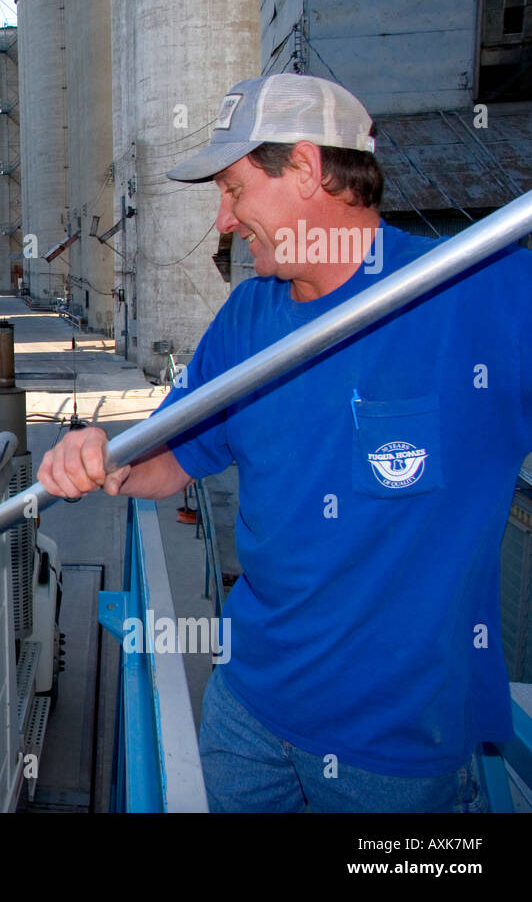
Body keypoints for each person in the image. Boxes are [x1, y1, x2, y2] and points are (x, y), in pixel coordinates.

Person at [37, 73, 532, 812]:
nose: (226, 220)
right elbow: (173, 457)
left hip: (396, 752)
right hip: (247, 713)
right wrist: (100, 451)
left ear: (304, 169)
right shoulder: (248, 317)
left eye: (234, 190)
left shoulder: (479, 287)